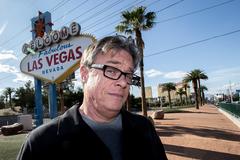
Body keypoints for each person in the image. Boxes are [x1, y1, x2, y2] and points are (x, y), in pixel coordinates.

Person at [17, 35, 167, 160]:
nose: (123, 82)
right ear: (84, 74)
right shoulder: (41, 142)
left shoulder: (144, 128)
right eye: (112, 70)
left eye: (127, 74)